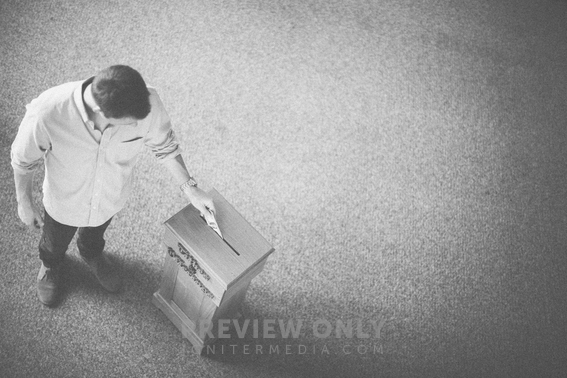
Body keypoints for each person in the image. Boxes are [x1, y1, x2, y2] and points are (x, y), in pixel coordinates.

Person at [11, 65, 216, 307]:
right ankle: (50, 265)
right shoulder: (47, 113)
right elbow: (23, 162)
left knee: (95, 234)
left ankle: (91, 253)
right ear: (99, 111)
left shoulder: (145, 102)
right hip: (64, 201)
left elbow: (165, 146)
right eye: (129, 124)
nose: (137, 126)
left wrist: (190, 188)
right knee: (54, 242)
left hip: (111, 197)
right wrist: (24, 203)